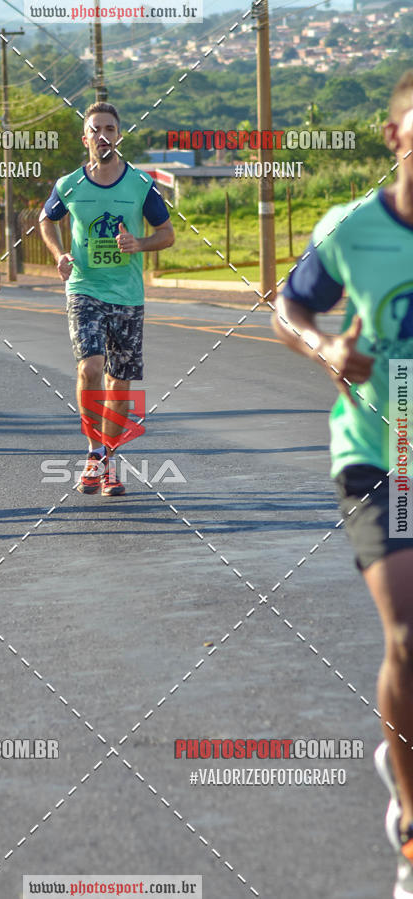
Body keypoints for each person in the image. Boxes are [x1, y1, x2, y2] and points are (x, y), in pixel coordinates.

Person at [273, 70, 413, 899]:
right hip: (382, 450)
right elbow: (288, 307)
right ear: (396, 135)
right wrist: (323, 348)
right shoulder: (352, 229)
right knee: (408, 633)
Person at [39, 101, 174, 496]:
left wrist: (140, 242)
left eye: (109, 129)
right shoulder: (69, 185)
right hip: (84, 288)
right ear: (86, 139)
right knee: (90, 367)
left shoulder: (140, 184)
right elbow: (46, 220)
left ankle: (109, 462)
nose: (102, 136)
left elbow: (167, 234)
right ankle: (93, 451)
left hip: (128, 295)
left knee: (120, 383)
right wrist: (58, 254)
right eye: (95, 130)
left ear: (118, 135)